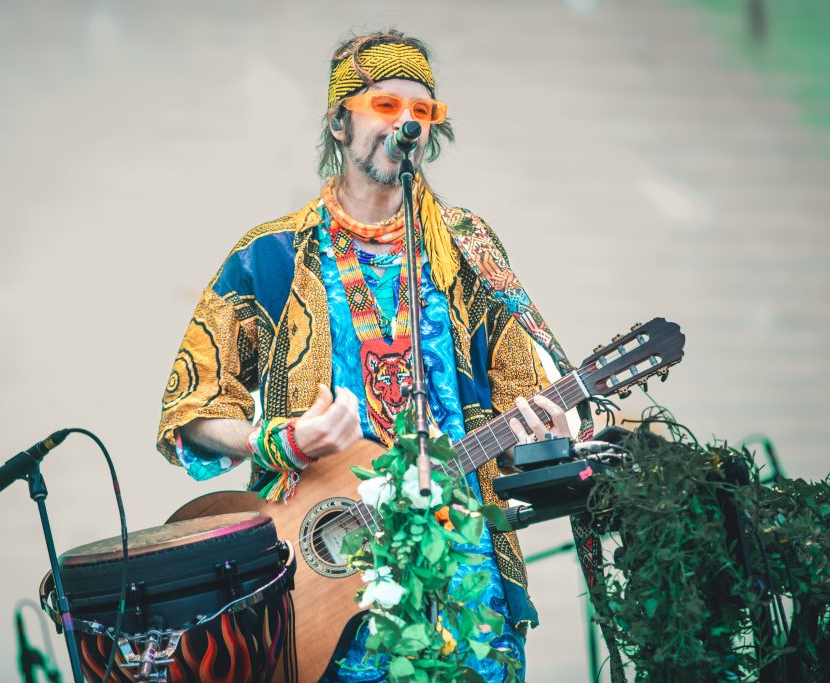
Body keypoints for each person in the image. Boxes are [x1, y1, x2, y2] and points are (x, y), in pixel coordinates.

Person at [156, 29, 594, 682]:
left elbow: (523, 400)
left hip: (465, 579)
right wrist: (279, 439)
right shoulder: (271, 255)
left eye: (422, 110)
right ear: (340, 123)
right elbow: (191, 410)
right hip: (324, 585)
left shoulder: (467, 245)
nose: (406, 123)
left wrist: (546, 431)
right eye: (385, 106)